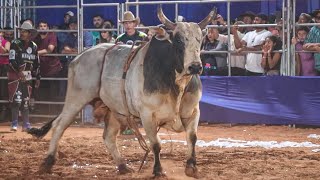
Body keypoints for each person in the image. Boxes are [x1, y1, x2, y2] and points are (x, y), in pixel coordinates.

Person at [7, 21, 40, 131]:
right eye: (21, 31)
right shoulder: (15, 43)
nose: (22, 33)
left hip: (27, 75)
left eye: (25, 31)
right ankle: (15, 123)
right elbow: (11, 60)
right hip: (15, 75)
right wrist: (18, 71)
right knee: (16, 100)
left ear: (30, 33)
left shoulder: (34, 46)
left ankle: (26, 124)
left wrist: (38, 77)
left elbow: (36, 63)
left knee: (26, 100)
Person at [34, 20, 62, 101]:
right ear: (37, 28)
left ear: (48, 27)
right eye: (41, 26)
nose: (42, 28)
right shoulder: (35, 37)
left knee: (53, 93)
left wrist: (35, 53)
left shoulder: (52, 35)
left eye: (44, 26)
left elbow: (50, 49)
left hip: (53, 69)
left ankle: (53, 112)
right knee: (41, 93)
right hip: (40, 69)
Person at [303, 9, 320, 75]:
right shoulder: (313, 29)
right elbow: (304, 46)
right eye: (317, 18)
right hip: (317, 66)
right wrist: (315, 48)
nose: (319, 20)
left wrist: (313, 44)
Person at [0, 28, 11, 121]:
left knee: (3, 89)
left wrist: (0, 45)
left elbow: (5, 51)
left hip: (4, 66)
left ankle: (4, 112)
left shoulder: (6, 42)